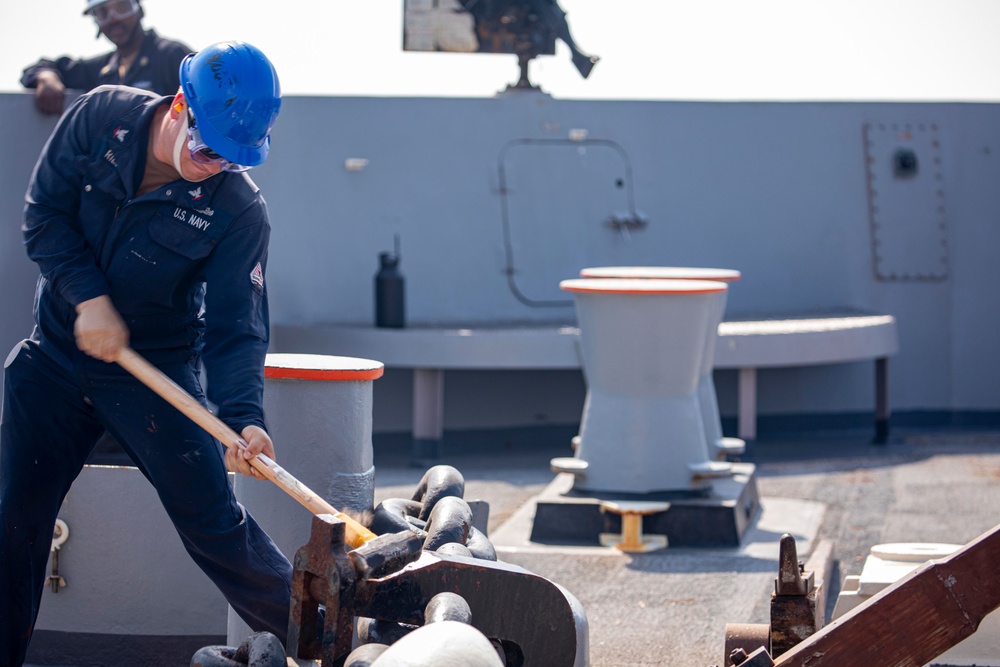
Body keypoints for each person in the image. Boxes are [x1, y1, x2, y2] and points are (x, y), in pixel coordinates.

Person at [0, 41, 290, 667]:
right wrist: (89, 299)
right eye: (209, 148)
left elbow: (237, 328)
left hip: (153, 378)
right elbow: (43, 216)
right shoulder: (100, 115)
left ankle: (331, 641)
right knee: (11, 524)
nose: (217, 167)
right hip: (54, 362)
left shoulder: (239, 210)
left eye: (235, 158)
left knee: (217, 528)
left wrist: (245, 416)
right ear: (180, 105)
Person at [20, 0, 192, 115]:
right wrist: (46, 77)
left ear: (139, 9)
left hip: (169, 166)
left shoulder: (171, 55)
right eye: (102, 13)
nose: (113, 19)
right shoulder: (101, 69)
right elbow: (40, 67)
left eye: (121, 8)